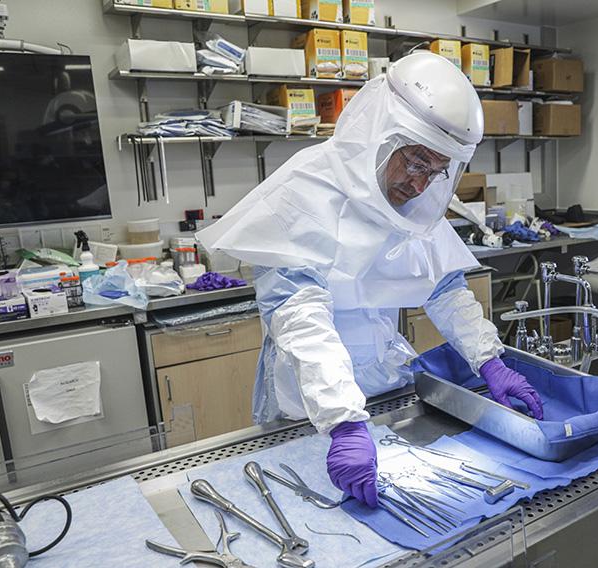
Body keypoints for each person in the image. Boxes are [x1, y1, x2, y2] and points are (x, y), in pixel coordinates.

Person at [197, 52, 544, 506]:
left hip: (382, 390)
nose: (421, 186)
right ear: (380, 133)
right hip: (308, 405)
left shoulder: (411, 203)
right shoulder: (304, 193)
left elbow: (443, 289)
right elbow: (302, 321)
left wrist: (489, 361)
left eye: (436, 171)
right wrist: (343, 423)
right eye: (416, 162)